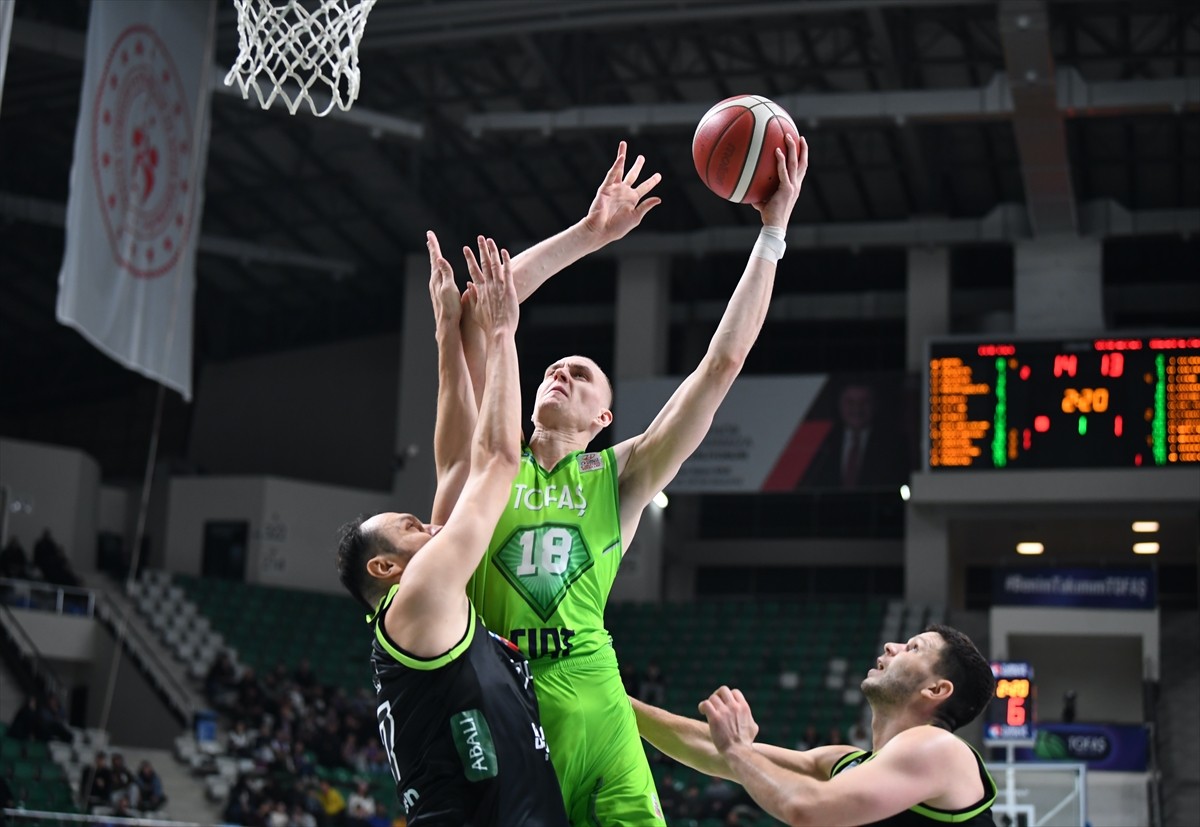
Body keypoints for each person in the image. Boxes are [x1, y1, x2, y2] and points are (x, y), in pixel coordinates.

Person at [430, 136, 807, 824]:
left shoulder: (620, 473)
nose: (559, 372)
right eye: (552, 367)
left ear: (603, 415)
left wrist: (773, 235)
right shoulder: (488, 463)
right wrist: (589, 233)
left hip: (599, 708)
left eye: (580, 373)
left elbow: (719, 366)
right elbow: (479, 312)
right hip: (502, 708)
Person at [334, 238, 567, 826]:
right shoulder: (421, 595)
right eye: (411, 527)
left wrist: (447, 333)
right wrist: (503, 334)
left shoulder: (422, 610)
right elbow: (495, 461)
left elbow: (458, 465)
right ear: (385, 568)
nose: (432, 522)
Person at [631, 624, 998, 826]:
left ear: (936, 689)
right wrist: (616, 702)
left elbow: (806, 808)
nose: (891, 645)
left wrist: (738, 750)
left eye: (913, 648)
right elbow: (715, 751)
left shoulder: (940, 750)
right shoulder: (846, 762)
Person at [801, 380, 908, 489]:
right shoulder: (824, 442)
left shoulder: (892, 444)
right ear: (839, 404)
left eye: (864, 402)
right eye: (850, 402)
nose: (857, 408)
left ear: (874, 404)